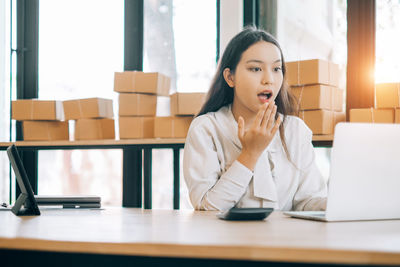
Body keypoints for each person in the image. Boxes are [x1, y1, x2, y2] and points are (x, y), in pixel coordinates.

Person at [183, 27, 327, 211]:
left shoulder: (295, 130)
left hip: (285, 239)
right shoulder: (206, 129)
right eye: (256, 68)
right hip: (226, 240)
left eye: (276, 68)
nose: (269, 79)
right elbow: (207, 209)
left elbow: (307, 201)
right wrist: (250, 154)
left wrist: (338, 204)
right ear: (230, 77)